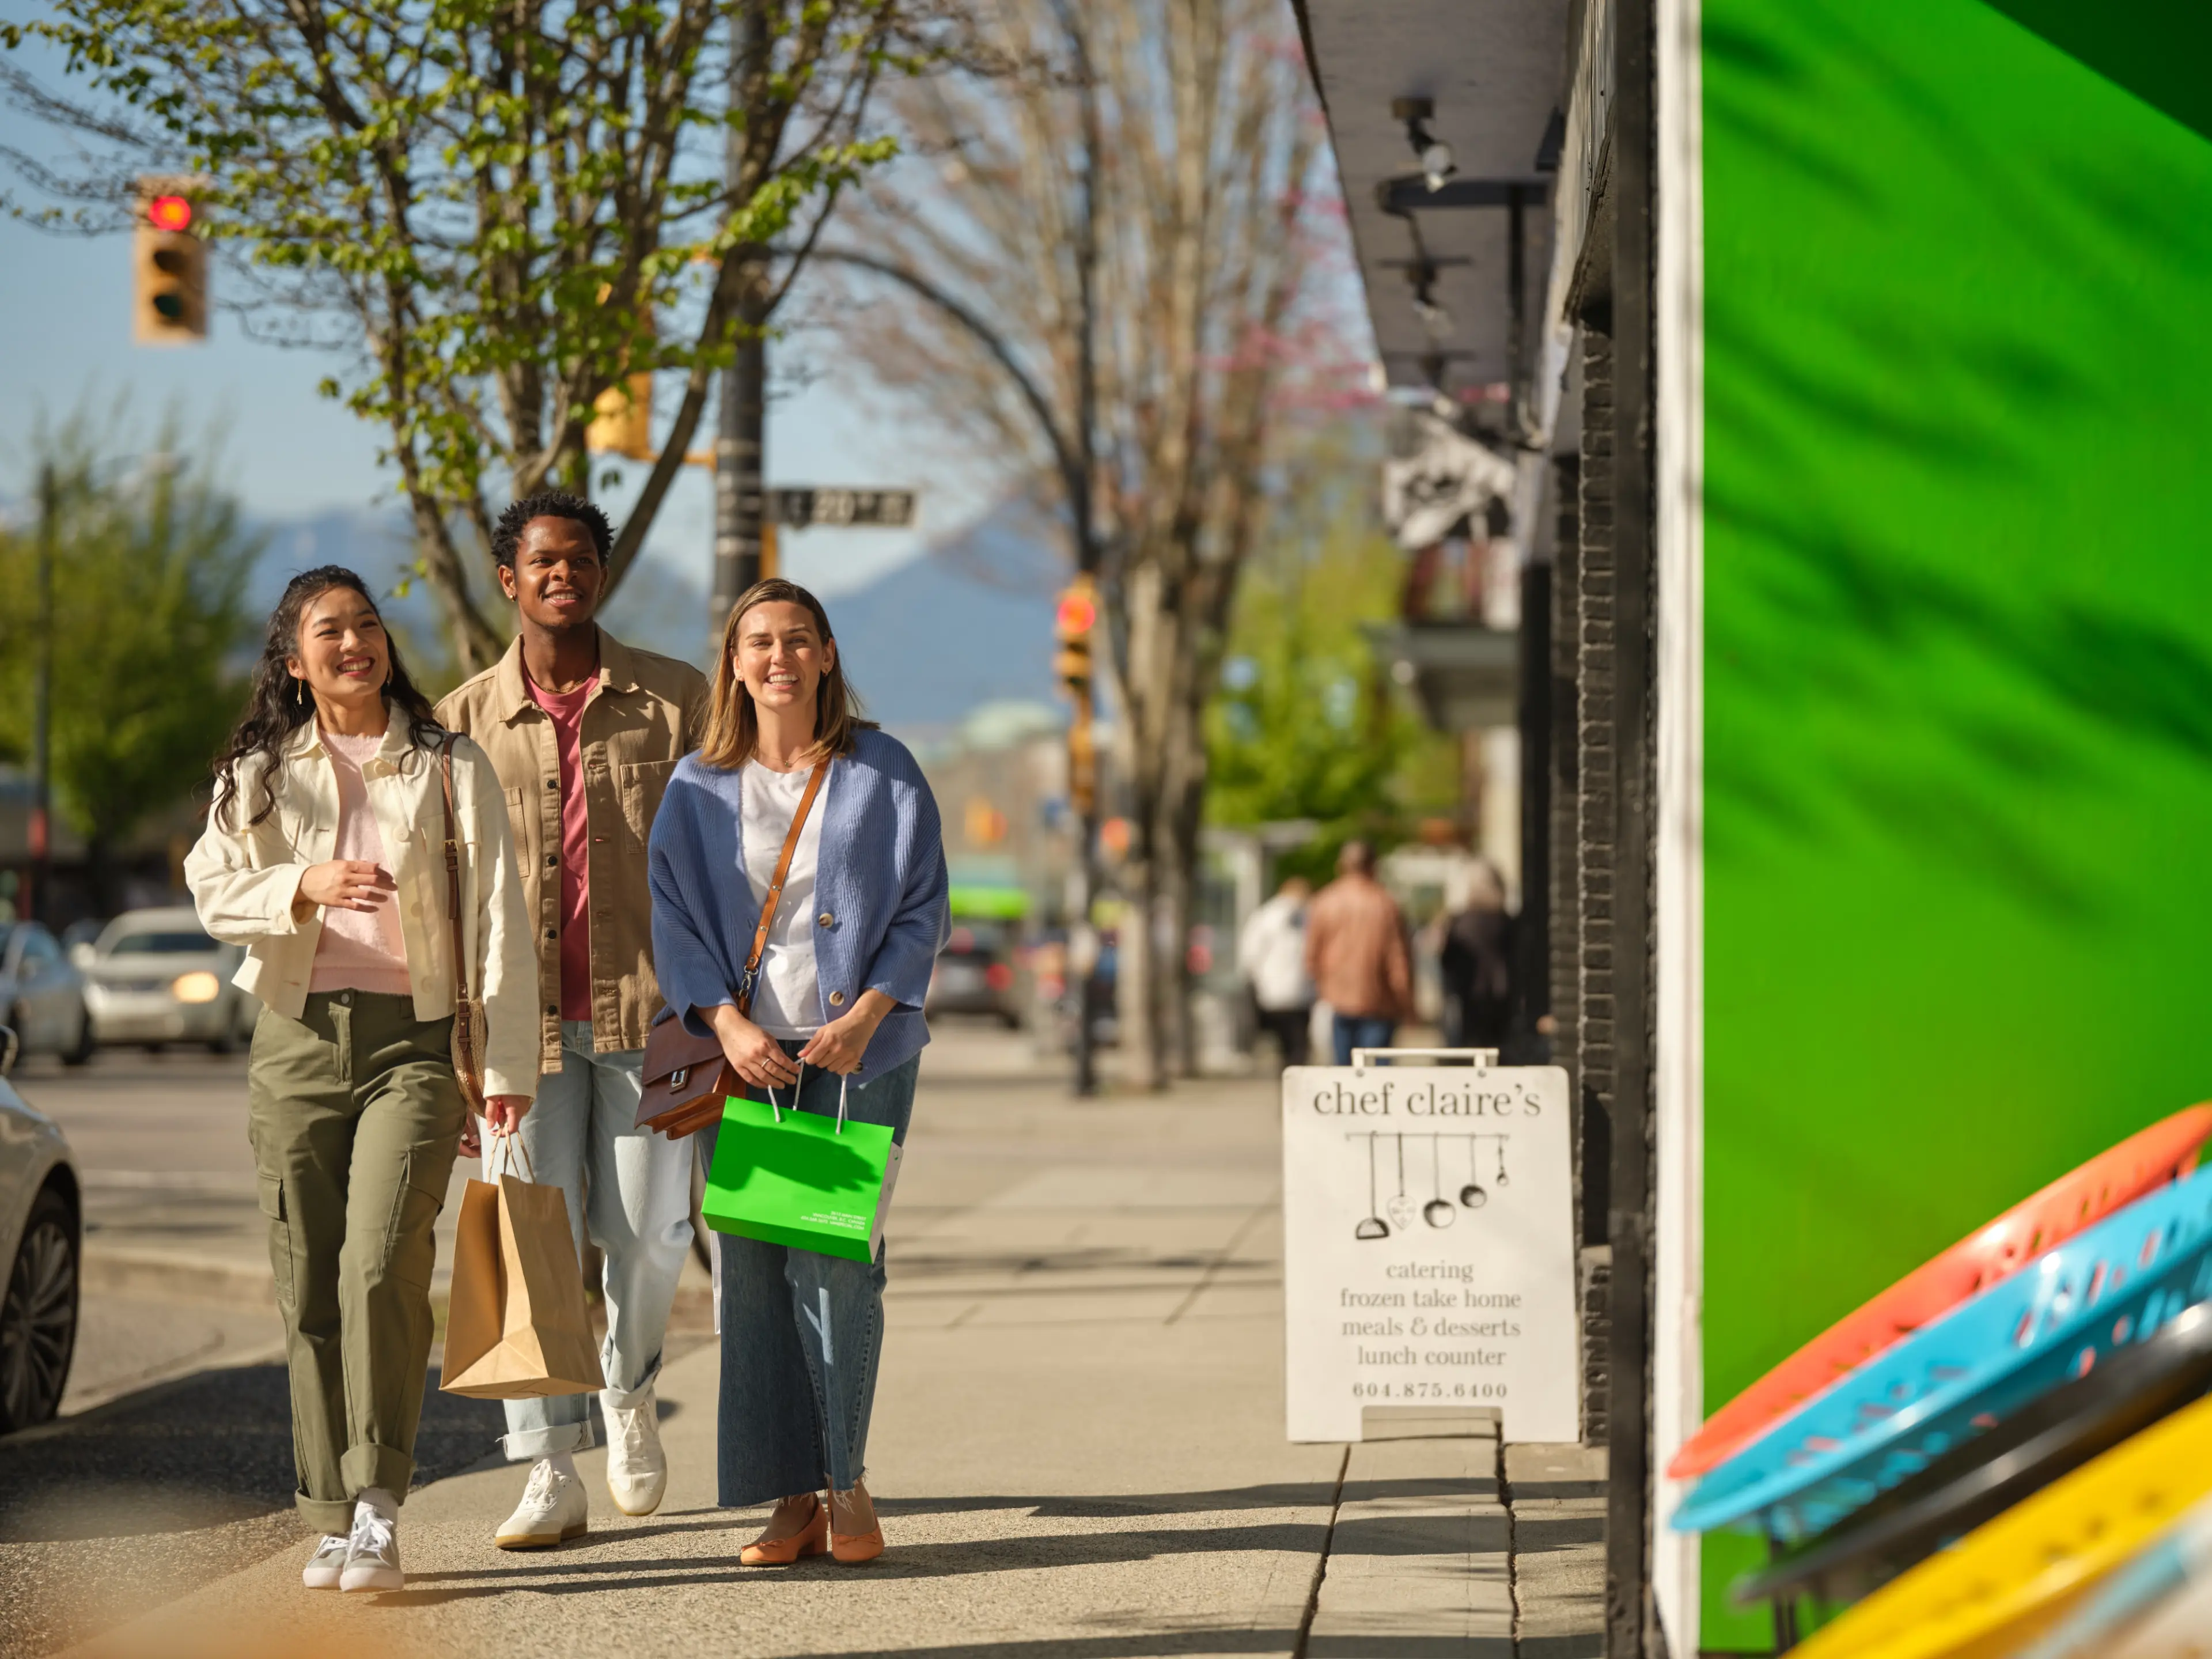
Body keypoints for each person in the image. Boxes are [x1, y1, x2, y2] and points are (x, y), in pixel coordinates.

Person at [185, 567, 536, 1594]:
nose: (356, 643)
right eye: (330, 631)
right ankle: (328, 1517)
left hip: (413, 1044)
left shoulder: (445, 763)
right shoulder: (260, 767)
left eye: (369, 626)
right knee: (308, 1285)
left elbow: (502, 917)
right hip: (294, 1040)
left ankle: (381, 1505)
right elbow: (211, 886)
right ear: (295, 662)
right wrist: (304, 882)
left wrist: (503, 1064)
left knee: (380, 1266)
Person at [649, 577, 947, 1568]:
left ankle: (846, 1479)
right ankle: (789, 1497)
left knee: (841, 1264)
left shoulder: (884, 770)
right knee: (758, 1277)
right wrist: (725, 1025)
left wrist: (871, 1012)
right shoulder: (696, 785)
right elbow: (675, 920)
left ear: (825, 655)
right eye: (758, 642)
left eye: (797, 640)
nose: (778, 658)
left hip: (857, 1057)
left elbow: (922, 909)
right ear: (733, 663)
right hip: (749, 1061)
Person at [434, 490, 707, 1550]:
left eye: (582, 559)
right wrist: (453, 1051)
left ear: (602, 573)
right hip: (514, 1038)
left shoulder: (675, 700)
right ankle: (546, 1469)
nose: (564, 575)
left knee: (655, 1236)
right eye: (544, 561)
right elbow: (441, 900)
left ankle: (629, 1397)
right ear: (510, 579)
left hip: (656, 1023)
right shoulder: (458, 725)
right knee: (524, 1244)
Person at [1305, 840, 1414, 1066]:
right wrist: (1407, 1001)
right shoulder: (1385, 904)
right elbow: (1398, 959)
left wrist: (1323, 985)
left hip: (1338, 998)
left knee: (1344, 1073)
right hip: (1379, 999)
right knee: (1378, 1074)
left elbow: (1311, 955)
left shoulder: (1325, 901)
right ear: (1373, 865)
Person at [1237, 876, 1314, 1069]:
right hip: (1298, 992)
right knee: (1297, 1045)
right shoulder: (1304, 916)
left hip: (1274, 991)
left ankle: (1289, 1079)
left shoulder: (1266, 915)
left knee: (1286, 1044)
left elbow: (1250, 953)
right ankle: (1293, 1080)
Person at [1439, 859, 1514, 1051]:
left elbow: (1446, 960)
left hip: (1467, 992)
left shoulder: (1459, 921)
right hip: (1501, 992)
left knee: (1470, 1045)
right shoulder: (1507, 922)